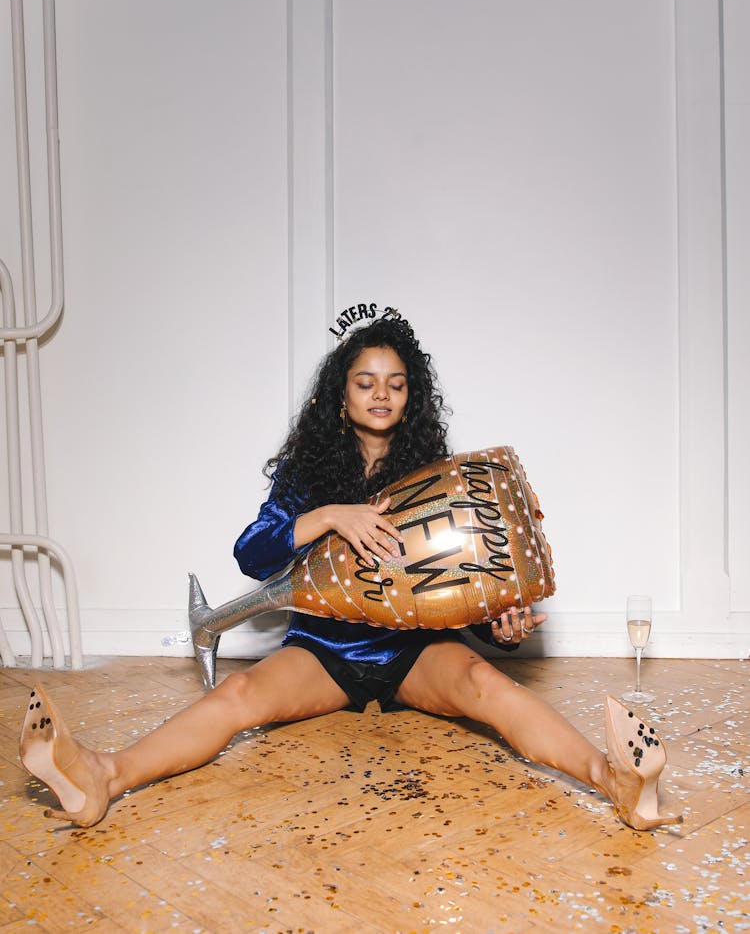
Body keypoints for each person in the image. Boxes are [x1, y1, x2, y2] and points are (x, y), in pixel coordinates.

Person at [20, 314, 681, 832]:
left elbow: (462, 598)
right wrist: (332, 514)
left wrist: (502, 626)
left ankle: (614, 780)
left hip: (411, 652)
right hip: (325, 650)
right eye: (365, 381)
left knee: (489, 683)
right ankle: (104, 775)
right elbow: (253, 553)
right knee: (236, 699)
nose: (381, 394)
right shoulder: (308, 472)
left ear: (411, 395)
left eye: (396, 382)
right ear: (341, 393)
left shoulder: (431, 472)